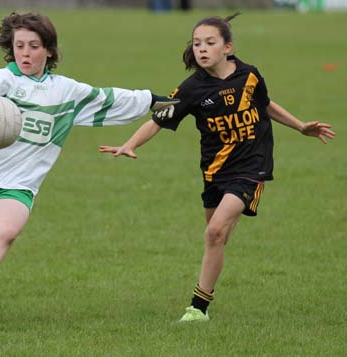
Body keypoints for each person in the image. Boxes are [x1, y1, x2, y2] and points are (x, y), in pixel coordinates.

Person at [0, 12, 178, 325]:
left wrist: (151, 101)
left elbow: (108, 98)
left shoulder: (65, 91)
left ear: (49, 50)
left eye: (33, 46)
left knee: (5, 233)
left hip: (21, 183)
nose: (25, 53)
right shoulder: (2, 80)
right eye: (19, 46)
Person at [99, 12, 335, 322]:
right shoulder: (191, 88)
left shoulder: (250, 75)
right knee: (218, 238)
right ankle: (206, 294)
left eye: (210, 42)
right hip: (214, 169)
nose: (202, 49)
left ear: (227, 47)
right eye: (197, 43)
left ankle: (197, 309)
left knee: (213, 233)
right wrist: (130, 144)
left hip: (253, 165)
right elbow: (159, 119)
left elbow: (264, 104)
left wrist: (300, 126)